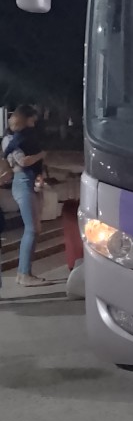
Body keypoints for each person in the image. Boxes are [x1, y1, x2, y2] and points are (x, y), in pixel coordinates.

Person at [2, 106, 48, 287]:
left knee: (35, 228)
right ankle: (24, 274)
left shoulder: (25, 138)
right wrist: (42, 154)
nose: (34, 123)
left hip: (30, 181)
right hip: (22, 182)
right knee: (31, 229)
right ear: (24, 118)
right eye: (32, 120)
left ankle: (25, 273)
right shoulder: (11, 139)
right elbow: (23, 161)